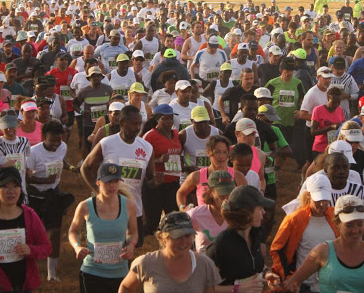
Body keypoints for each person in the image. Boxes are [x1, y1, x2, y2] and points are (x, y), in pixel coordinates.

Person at [81, 105, 157, 248]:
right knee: (105, 248)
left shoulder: (147, 147)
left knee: (129, 248)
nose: (138, 128)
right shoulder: (107, 143)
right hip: (108, 206)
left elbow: (150, 180)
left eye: (139, 124)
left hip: (134, 207)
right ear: (122, 123)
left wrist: (156, 181)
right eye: (134, 124)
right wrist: (98, 191)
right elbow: (85, 168)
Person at [283, 195, 364, 293]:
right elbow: (293, 284)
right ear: (337, 224)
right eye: (349, 225)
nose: (355, 231)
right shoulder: (322, 252)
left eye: (360, 224)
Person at [69, 163, 137, 293]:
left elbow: (133, 233)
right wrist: (77, 246)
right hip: (92, 272)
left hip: (120, 272)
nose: (112, 186)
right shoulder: (85, 206)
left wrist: (131, 245)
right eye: (108, 182)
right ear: (98, 182)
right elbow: (72, 231)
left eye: (116, 181)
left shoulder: (129, 205)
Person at [118, 211, 222, 293]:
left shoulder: (205, 264)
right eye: (177, 237)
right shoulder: (145, 263)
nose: (184, 242)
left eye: (187, 236)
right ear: (162, 238)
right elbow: (126, 287)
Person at [270, 174, 338, 292]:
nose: (322, 204)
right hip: (305, 286)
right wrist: (287, 276)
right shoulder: (294, 219)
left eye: (325, 199)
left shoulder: (336, 217)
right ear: (308, 195)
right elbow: (277, 249)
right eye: (318, 200)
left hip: (332, 285)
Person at [26, 120, 74, 282]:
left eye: (58, 140)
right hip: (34, 198)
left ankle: (51, 274)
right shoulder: (33, 153)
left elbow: (61, 160)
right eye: (51, 140)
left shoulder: (63, 147)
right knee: (31, 236)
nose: (55, 144)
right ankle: (27, 271)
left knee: (54, 234)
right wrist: (44, 181)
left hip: (53, 197)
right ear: (43, 137)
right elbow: (26, 178)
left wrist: (72, 167)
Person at [206, 185, 276, 291]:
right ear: (247, 213)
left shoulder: (255, 233)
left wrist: (266, 273)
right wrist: (237, 289)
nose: (264, 212)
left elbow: (250, 262)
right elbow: (204, 287)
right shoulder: (222, 244)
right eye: (260, 208)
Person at [141, 104, 182, 235]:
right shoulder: (149, 136)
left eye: (171, 118)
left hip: (173, 183)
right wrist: (158, 160)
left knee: (172, 220)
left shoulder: (176, 134)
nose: (169, 122)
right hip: (156, 184)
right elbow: (141, 160)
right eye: (165, 119)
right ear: (157, 119)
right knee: (152, 223)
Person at [176, 135, 246, 209]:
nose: (221, 156)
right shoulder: (197, 176)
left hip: (229, 219)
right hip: (203, 219)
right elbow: (181, 193)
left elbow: (246, 199)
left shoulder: (237, 176)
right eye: (217, 152)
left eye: (224, 152)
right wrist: (182, 208)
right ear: (209, 152)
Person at [186, 170, 235, 253]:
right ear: (210, 191)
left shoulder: (237, 214)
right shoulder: (195, 215)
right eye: (222, 193)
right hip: (204, 264)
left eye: (229, 192)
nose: (226, 197)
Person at [310, 87, 345, 158]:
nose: (336, 105)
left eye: (339, 102)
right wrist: (331, 127)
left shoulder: (340, 110)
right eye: (334, 102)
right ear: (328, 98)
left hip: (335, 148)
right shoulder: (318, 110)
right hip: (320, 148)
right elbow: (313, 132)